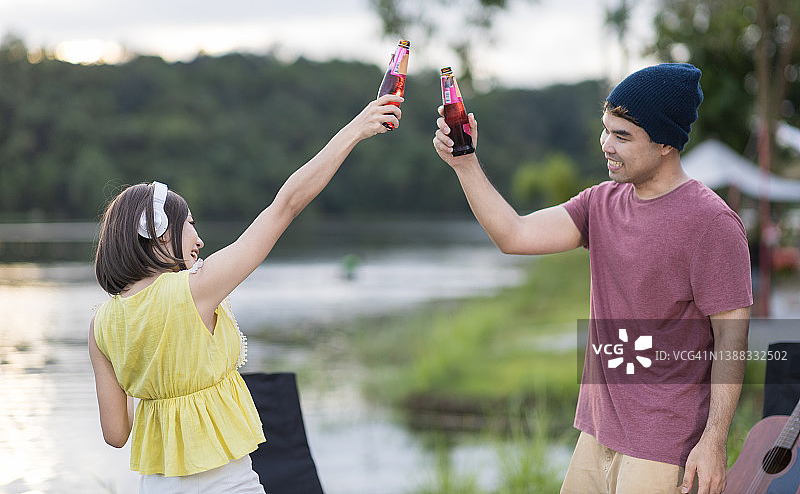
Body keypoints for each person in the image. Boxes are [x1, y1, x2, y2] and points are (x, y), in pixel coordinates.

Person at [432, 63, 752, 494]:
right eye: (606, 130)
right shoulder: (599, 204)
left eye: (622, 136)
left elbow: (733, 338)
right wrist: (464, 164)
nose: (606, 145)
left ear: (665, 144)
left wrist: (714, 441)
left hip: (664, 447)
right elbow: (514, 234)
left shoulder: (711, 223)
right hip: (597, 434)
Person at [89, 94, 403, 493]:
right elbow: (285, 205)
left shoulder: (100, 325)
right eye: (191, 226)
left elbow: (116, 434)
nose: (199, 240)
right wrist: (355, 129)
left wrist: (153, 373)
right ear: (162, 233)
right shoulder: (196, 290)